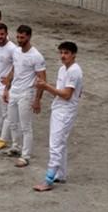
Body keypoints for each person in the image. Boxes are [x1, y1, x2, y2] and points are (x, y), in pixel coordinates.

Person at [33, 42, 83, 192]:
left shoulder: (74, 71)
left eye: (66, 53)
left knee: (55, 145)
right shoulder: (63, 69)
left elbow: (67, 95)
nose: (63, 56)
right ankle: (60, 174)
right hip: (59, 109)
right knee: (61, 143)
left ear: (74, 54)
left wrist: (45, 86)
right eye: (61, 52)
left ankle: (48, 180)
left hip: (65, 111)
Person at [3, 25, 46, 168]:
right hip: (14, 91)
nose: (19, 40)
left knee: (26, 126)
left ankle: (25, 155)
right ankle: (16, 146)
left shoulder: (36, 56)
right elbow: (14, 69)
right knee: (13, 122)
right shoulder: (16, 51)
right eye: (18, 37)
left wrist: (37, 100)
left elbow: (42, 79)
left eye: (22, 37)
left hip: (27, 93)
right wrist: (6, 88)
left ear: (29, 37)